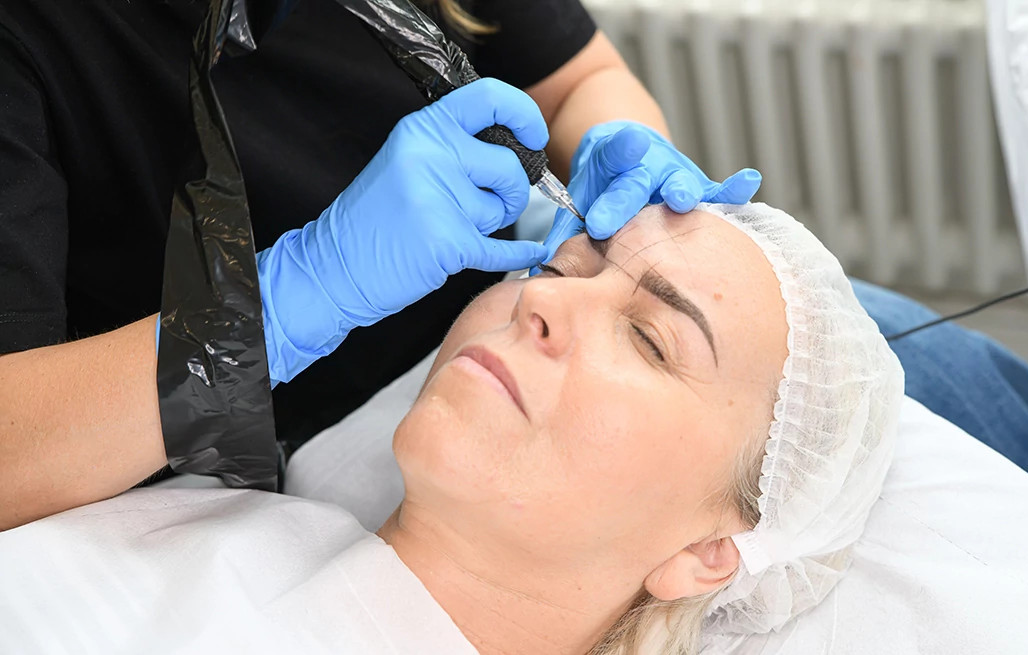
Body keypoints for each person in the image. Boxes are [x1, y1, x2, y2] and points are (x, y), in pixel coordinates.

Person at [0, 203, 904, 654]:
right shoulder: (194, 504)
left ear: (712, 552)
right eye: (558, 263)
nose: (543, 297)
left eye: (649, 338)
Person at [0, 0, 761, 529]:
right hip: (240, 443)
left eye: (651, 339)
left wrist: (616, 142)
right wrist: (288, 301)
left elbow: (576, 79)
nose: (549, 303)